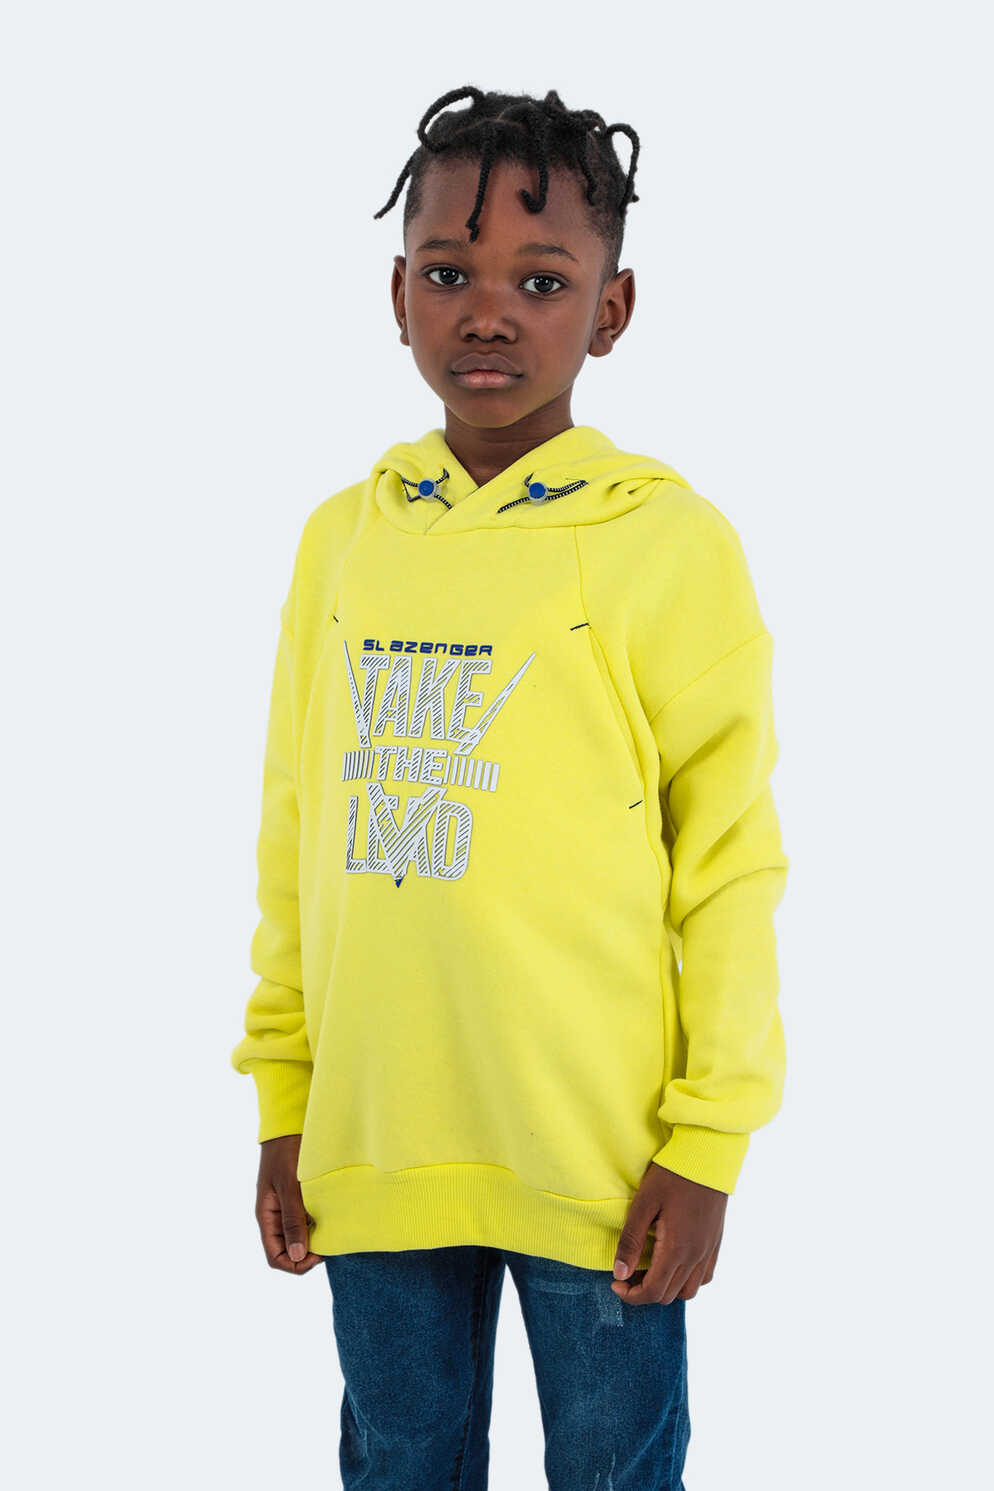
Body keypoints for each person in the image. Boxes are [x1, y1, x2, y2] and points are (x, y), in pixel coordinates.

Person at [230, 83, 789, 1491]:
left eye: (541, 283)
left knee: (615, 1471)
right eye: (447, 276)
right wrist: (287, 1101)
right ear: (396, 296)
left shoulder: (668, 546)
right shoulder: (343, 542)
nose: (487, 315)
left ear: (610, 310)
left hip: (600, 1163)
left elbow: (728, 861)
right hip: (376, 1144)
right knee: (399, 1464)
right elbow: (296, 828)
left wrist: (708, 1139)